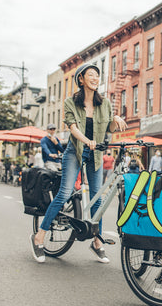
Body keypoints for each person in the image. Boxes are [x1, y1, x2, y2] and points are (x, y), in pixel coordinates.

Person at [30, 63, 127, 263]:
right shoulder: (70, 102)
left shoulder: (105, 103)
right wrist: (87, 141)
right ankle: (39, 236)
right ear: (81, 79)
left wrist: (115, 118)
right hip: (75, 152)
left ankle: (97, 242)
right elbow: (73, 128)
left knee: (97, 199)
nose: (95, 78)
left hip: (96, 154)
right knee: (64, 193)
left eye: (97, 75)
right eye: (90, 74)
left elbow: (109, 128)